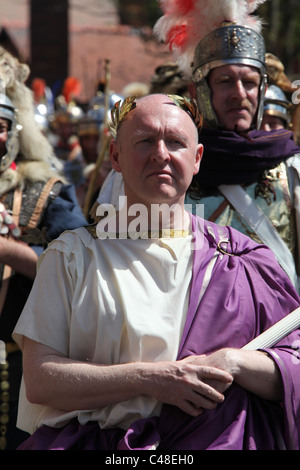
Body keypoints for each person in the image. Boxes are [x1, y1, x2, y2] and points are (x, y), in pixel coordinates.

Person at [12, 94, 300, 450]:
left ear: (196, 160)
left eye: (176, 142)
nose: (160, 154)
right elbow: (41, 380)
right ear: (115, 156)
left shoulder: (243, 258)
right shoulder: (71, 255)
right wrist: (150, 379)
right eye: (145, 140)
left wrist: (237, 362)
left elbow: (292, 367)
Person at [153, 0, 300, 291]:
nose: (239, 94)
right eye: (225, 81)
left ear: (262, 89)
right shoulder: (162, 167)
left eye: (249, 82)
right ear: (198, 91)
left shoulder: (292, 170)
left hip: (279, 333)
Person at [0, 90, 87, 450]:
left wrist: (7, 250)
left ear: (13, 132)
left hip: (20, 365)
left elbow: (80, 271)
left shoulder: (46, 193)